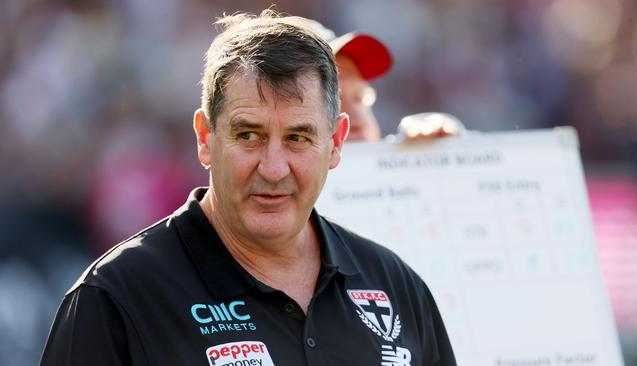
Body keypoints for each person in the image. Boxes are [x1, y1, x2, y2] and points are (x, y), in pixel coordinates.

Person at [41, 10, 456, 366]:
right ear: (205, 137)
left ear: (335, 143)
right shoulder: (117, 297)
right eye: (249, 135)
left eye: (297, 138)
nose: (274, 169)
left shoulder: (398, 284)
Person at [313, 22, 463, 142]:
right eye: (333, 100)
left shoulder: (401, 165)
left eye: (360, 98)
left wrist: (443, 143)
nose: (357, 119)